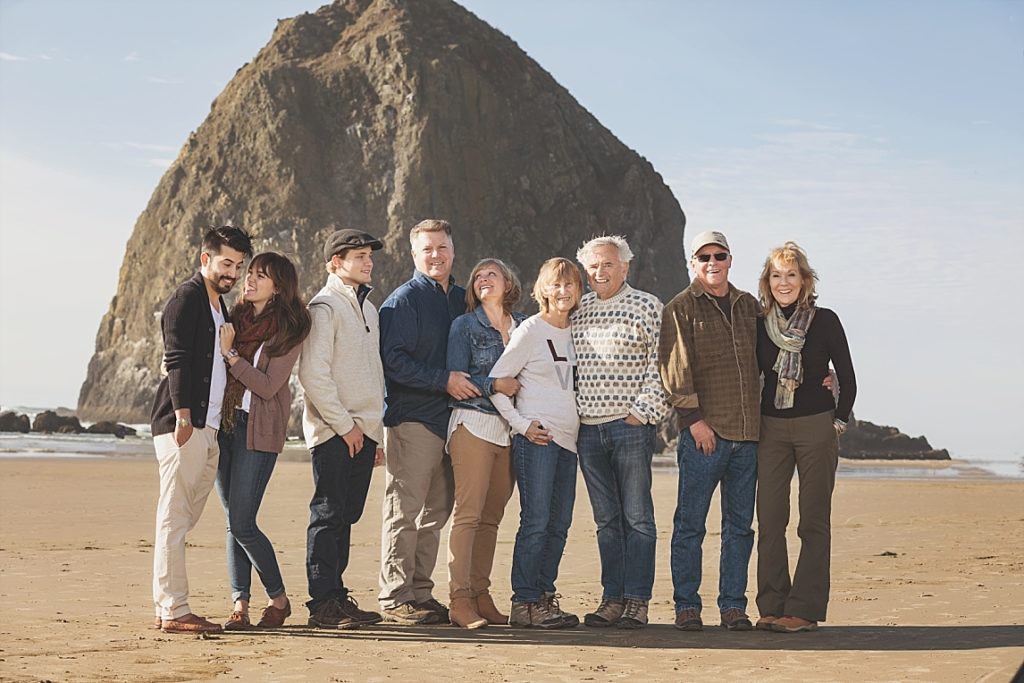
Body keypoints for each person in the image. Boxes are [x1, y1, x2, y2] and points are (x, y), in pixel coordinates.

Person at [150, 225, 253, 634]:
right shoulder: (187, 298)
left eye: (239, 266)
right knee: (174, 520)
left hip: (208, 429)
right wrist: (183, 417)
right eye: (226, 262)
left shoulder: (219, 307)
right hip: (184, 426)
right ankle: (173, 610)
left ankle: (168, 605)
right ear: (205, 259)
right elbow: (175, 359)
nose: (232, 272)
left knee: (184, 518)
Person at [658, 230, 760, 632]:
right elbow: (674, 370)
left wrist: (825, 372)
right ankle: (687, 606)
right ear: (693, 264)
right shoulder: (680, 308)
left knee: (739, 527)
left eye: (719, 256)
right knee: (690, 525)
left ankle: (733, 606)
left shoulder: (749, 306)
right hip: (705, 436)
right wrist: (694, 421)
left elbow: (770, 358)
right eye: (704, 258)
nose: (712, 263)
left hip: (749, 436)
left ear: (730, 260)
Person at [753, 242, 856, 634]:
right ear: (767, 282)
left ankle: (804, 609)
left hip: (816, 425)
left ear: (805, 280)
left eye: (791, 275)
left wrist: (838, 423)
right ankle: (771, 605)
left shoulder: (826, 320)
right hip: (771, 428)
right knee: (771, 520)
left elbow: (847, 376)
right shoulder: (759, 322)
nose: (784, 282)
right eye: (776, 275)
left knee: (813, 521)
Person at [378, 218, 475, 625]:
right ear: (414, 255)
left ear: (453, 251)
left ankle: (420, 591)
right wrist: (444, 380)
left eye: (442, 247)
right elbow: (392, 361)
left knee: (435, 514)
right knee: (404, 511)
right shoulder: (403, 301)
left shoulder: (461, 299)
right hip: (413, 420)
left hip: (453, 423)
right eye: (427, 249)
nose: (436, 255)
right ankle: (394, 595)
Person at [572, 235, 669, 630]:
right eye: (593, 266)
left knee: (637, 518)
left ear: (625, 267)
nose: (599, 272)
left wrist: (642, 414)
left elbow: (661, 365)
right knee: (606, 521)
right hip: (587, 431)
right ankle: (612, 599)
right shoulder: (577, 309)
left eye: (608, 264)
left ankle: (636, 602)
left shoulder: (648, 305)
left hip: (630, 427)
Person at [215, 252, 311, 630]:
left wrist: (231, 356)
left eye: (259, 275)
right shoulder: (233, 319)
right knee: (231, 522)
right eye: (249, 273)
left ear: (278, 286)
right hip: (225, 425)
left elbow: (270, 387)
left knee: (242, 521)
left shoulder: (291, 327)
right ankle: (240, 604)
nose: (249, 280)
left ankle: (279, 598)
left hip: (259, 429)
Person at [299, 229, 388, 629]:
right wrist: (345, 426)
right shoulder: (324, 308)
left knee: (347, 516)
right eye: (359, 256)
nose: (368, 263)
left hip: (364, 430)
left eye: (369, 256)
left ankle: (337, 595)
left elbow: (374, 375)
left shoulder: (369, 309)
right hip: (335, 431)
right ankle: (322, 604)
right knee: (328, 513)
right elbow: (313, 375)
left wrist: (374, 434)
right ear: (336, 262)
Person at [490, 257, 582, 629]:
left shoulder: (576, 331)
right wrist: (521, 425)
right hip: (538, 441)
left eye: (570, 285)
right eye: (555, 285)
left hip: (570, 443)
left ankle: (544, 598)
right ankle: (524, 602)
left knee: (559, 524)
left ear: (579, 290)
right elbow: (497, 383)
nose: (563, 291)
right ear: (543, 289)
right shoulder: (530, 330)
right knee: (537, 521)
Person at [444, 259, 526, 629]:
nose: (482, 279)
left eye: (491, 273)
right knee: (469, 514)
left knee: (492, 519)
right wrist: (495, 385)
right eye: (477, 275)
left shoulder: (526, 326)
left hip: (509, 431)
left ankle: (480, 594)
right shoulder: (464, 326)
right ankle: (459, 600)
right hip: (473, 424)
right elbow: (458, 380)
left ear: (509, 283)